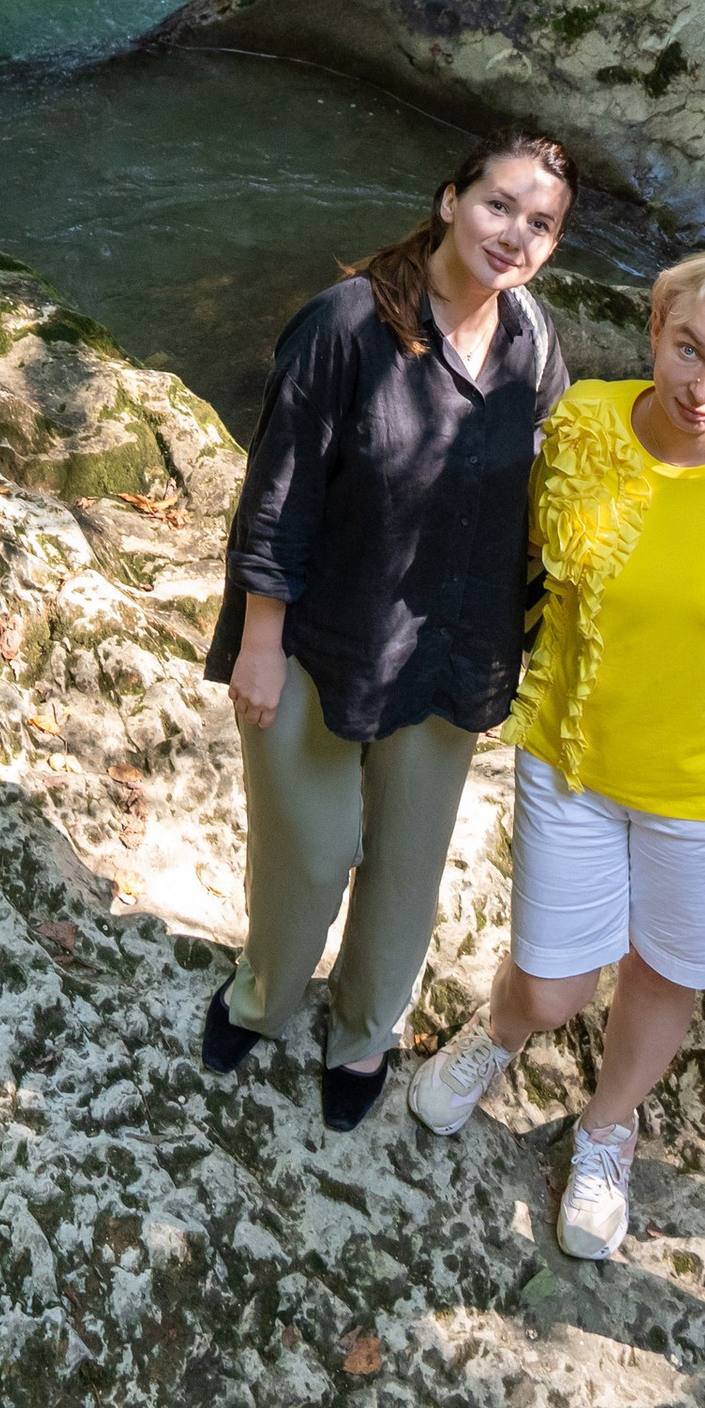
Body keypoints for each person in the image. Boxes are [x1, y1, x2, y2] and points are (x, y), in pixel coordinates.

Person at [410, 249, 705, 1262]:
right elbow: (498, 547)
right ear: (654, 330)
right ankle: (500, 1032)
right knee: (556, 983)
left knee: (662, 973)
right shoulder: (578, 424)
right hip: (572, 755)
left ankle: (607, 1128)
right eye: (688, 351)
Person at [201, 134, 577, 1130]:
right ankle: (264, 994)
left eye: (540, 224)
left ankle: (363, 1032)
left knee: (407, 864)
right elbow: (275, 498)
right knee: (313, 850)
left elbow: (551, 497)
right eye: (500, 206)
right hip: (325, 637)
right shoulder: (344, 326)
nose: (515, 235)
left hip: (453, 644)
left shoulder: (532, 345)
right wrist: (258, 643)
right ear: (449, 199)